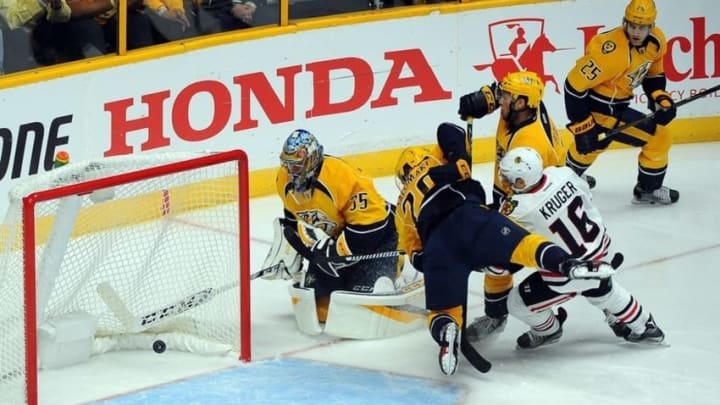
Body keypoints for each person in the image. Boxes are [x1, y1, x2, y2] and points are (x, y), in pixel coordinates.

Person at [394, 122, 615, 375]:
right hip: (471, 217)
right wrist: (458, 159)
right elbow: (449, 130)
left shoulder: (402, 207)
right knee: (524, 245)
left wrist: (430, 261)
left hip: (438, 246)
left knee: (442, 310)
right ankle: (566, 264)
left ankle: (446, 333)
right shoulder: (434, 159)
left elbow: (416, 255)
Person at [495, 147, 665, 348]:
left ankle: (549, 331)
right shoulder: (562, 173)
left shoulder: (518, 208)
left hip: (569, 274)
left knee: (516, 302)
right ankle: (646, 326)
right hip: (602, 249)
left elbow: (509, 247)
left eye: (508, 178)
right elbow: (588, 199)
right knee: (603, 291)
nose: (504, 182)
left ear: (521, 181)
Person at [261, 129, 412, 337]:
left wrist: (334, 252)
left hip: (380, 237)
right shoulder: (284, 181)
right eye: (286, 164)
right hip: (339, 239)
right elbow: (292, 222)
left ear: (312, 159)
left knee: (363, 301)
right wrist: (289, 255)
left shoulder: (341, 177)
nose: (291, 171)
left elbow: (371, 227)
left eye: (296, 165)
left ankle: (397, 265)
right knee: (320, 305)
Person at [457, 70, 567, 341]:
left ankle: (502, 317)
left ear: (520, 104)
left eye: (505, 97)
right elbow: (498, 95)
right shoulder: (525, 107)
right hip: (514, 193)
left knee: (496, 259)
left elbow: (526, 194)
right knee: (495, 260)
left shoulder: (530, 143)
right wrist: (485, 98)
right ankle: (496, 314)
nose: (500, 100)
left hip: (533, 205)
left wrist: (492, 215)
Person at [563, 0, 678, 205]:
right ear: (625, 22)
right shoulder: (609, 52)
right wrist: (582, 125)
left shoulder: (656, 42)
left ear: (651, 26)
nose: (636, 31)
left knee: (589, 148)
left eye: (642, 27)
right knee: (658, 137)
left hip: (618, 106)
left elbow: (653, 75)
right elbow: (573, 86)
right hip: (600, 108)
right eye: (632, 25)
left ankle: (566, 181)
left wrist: (660, 97)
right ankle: (648, 190)